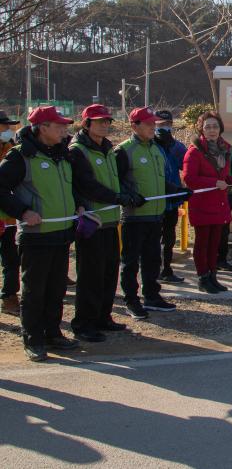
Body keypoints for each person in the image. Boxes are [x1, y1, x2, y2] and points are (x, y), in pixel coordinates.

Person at [0, 106, 82, 361]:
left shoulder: (62, 154)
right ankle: (33, 339)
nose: (64, 130)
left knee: (56, 288)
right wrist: (23, 212)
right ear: (42, 127)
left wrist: (77, 204)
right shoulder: (20, 157)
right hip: (36, 235)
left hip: (61, 233)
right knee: (34, 290)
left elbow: (69, 187)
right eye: (58, 126)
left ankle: (52, 333)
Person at [68, 105, 137, 342]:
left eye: (107, 121)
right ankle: (84, 323)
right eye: (99, 122)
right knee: (90, 275)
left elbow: (116, 181)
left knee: (109, 272)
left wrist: (125, 193)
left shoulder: (107, 149)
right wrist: (117, 197)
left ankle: (103, 317)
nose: (105, 125)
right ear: (86, 124)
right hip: (91, 222)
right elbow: (87, 185)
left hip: (110, 221)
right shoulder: (77, 151)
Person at [117, 107, 190, 319]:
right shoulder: (124, 150)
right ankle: (131, 300)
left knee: (152, 259)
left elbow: (160, 180)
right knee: (130, 261)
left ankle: (152, 296)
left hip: (155, 215)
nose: (153, 127)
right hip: (134, 216)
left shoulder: (155, 149)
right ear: (134, 126)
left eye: (154, 123)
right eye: (149, 124)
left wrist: (177, 191)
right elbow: (117, 182)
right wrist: (129, 196)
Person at [183, 111, 232, 293]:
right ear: (201, 130)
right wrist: (213, 183)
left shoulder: (225, 149)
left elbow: (225, 176)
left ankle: (213, 275)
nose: (212, 130)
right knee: (202, 243)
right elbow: (189, 178)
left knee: (215, 243)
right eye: (208, 127)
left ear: (221, 129)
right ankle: (202, 278)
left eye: (215, 126)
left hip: (220, 203)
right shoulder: (194, 151)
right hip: (202, 204)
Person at [154, 110, 188, 284]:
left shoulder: (177, 146)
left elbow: (187, 167)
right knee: (153, 238)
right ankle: (153, 270)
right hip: (153, 199)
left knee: (169, 237)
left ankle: (166, 269)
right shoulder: (150, 146)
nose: (163, 127)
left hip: (173, 199)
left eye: (167, 124)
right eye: (159, 124)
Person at [0, 110, 22, 317]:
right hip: (3, 218)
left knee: (11, 259)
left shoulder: (11, 150)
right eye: (4, 126)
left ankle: (9, 296)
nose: (8, 130)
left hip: (9, 218)